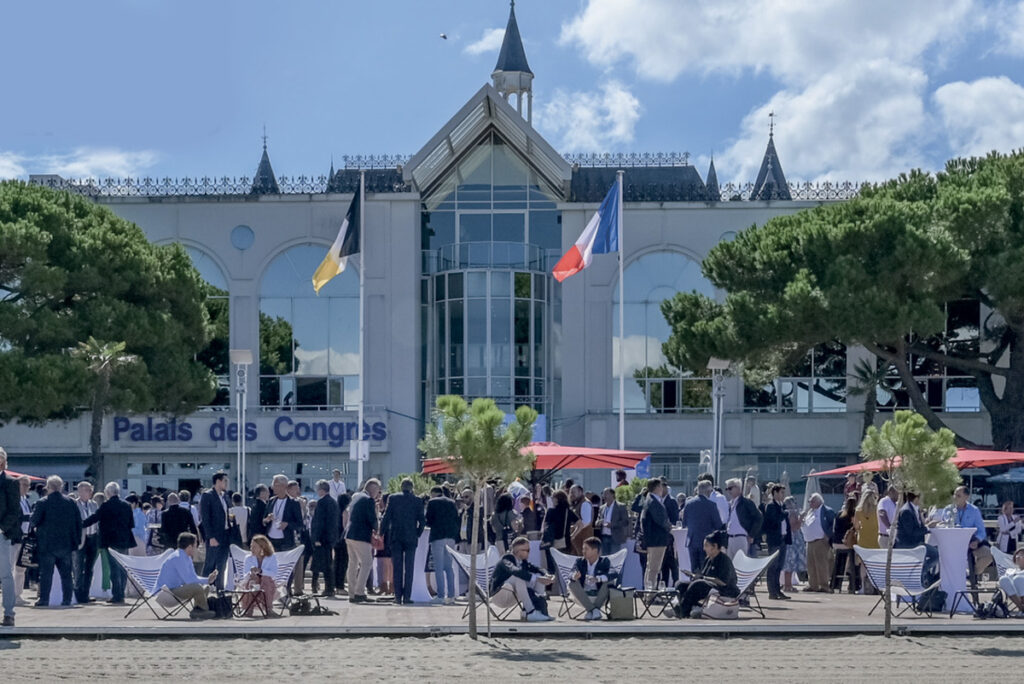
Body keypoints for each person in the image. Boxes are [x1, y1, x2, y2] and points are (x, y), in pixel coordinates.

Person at [29, 476, 82, 607]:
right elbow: (78, 523)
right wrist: (76, 541)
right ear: (61, 487)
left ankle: (44, 600)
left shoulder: (42, 502)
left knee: (46, 574)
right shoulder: (71, 503)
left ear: (48, 487)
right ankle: (67, 600)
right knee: (66, 575)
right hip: (66, 544)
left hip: (46, 545)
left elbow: (34, 521)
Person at [82, 482, 136, 605]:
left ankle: (117, 595)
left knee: (114, 568)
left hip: (111, 540)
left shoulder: (106, 505)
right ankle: (121, 593)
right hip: (125, 541)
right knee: (123, 568)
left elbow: (95, 518)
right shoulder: (127, 505)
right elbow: (131, 524)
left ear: (108, 493)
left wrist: (81, 524)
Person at [674, 531, 740, 618]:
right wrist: (694, 576)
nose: (704, 549)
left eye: (706, 546)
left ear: (715, 546)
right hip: (710, 586)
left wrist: (702, 578)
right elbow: (703, 575)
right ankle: (685, 607)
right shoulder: (708, 559)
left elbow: (723, 582)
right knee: (680, 584)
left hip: (724, 590)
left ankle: (682, 610)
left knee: (698, 584)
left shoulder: (724, 560)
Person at [380, 478, 425, 605]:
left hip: (396, 536)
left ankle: (398, 596)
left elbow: (386, 517)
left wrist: (381, 532)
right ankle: (407, 596)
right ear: (412, 488)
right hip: (411, 537)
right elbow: (422, 520)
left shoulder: (393, 498)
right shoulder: (417, 500)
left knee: (397, 567)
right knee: (409, 568)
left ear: (401, 487)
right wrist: (418, 534)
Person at [490, 536, 555, 621]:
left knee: (539, 578)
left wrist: (547, 575)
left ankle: (538, 611)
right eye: (526, 550)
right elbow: (514, 570)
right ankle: (531, 612)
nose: (528, 553)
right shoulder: (506, 559)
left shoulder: (522, 562)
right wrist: (536, 578)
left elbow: (537, 569)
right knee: (520, 578)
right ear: (517, 551)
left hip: (512, 594)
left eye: (529, 550)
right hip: (498, 595)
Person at [154, 532, 217, 620]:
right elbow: (189, 581)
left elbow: (193, 577)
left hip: (175, 590)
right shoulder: (178, 557)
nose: (196, 548)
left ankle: (197, 611)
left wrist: (208, 580)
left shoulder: (186, 557)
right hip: (167, 592)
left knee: (205, 587)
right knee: (197, 588)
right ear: (190, 547)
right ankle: (203, 610)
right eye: (195, 545)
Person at [345, 478, 381, 603]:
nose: (378, 494)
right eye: (378, 490)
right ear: (374, 489)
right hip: (360, 536)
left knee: (353, 564)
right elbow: (372, 518)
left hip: (349, 534)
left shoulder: (356, 497)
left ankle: (352, 593)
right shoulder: (368, 500)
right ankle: (359, 592)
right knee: (367, 562)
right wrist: (378, 530)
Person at [893, 491, 939, 584]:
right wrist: (928, 527)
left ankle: (921, 572)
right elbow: (911, 532)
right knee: (937, 555)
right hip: (908, 545)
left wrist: (927, 526)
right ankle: (921, 571)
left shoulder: (915, 509)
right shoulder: (906, 511)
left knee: (937, 552)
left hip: (916, 544)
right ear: (917, 498)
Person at [568, 536, 618, 621]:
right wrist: (574, 576)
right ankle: (594, 610)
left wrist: (598, 578)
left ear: (595, 551)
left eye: (586, 549)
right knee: (571, 583)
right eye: (583, 549)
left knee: (609, 582)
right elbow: (571, 573)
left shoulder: (604, 561)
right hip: (583, 593)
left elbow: (614, 573)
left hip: (599, 594)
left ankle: (591, 610)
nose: (583, 551)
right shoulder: (580, 561)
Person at [425, 485, 459, 605]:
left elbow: (428, 520)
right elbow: (457, 519)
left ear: (433, 493)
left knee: (438, 567)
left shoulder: (432, 502)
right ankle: (451, 595)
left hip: (437, 536)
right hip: (450, 537)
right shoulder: (452, 502)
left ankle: (440, 595)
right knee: (449, 567)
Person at [953, 485, 993, 585]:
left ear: (966, 497)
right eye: (954, 495)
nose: (955, 497)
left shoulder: (974, 510)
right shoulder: (948, 510)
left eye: (958, 495)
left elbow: (981, 531)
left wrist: (977, 541)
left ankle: (971, 574)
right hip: (953, 543)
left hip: (971, 542)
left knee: (988, 555)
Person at [681, 480, 723, 573]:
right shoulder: (711, 505)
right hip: (707, 542)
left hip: (692, 541)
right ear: (708, 491)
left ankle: (694, 586)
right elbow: (718, 525)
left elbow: (684, 523)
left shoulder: (688, 503)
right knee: (705, 569)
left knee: (694, 569)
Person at [198, 472, 231, 590]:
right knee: (210, 564)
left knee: (222, 564)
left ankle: (219, 589)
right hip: (214, 535)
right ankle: (202, 590)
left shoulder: (224, 496)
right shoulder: (208, 495)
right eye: (225, 481)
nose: (227, 484)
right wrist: (210, 536)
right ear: (218, 481)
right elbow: (205, 518)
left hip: (225, 534)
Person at [0, 448, 21, 627]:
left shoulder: (10, 482)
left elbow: (15, 511)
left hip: (1, 535)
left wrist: (1, 529)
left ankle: (9, 613)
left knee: (6, 575)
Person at [310, 479, 340, 597]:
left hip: (322, 538)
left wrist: (316, 538)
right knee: (328, 563)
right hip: (331, 537)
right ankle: (330, 587)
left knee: (325, 564)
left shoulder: (322, 503)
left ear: (321, 490)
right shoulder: (333, 502)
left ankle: (328, 588)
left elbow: (319, 522)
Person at [640, 478, 672, 591]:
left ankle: (648, 591)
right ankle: (651, 593)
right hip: (657, 539)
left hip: (653, 539)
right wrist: (670, 527)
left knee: (651, 567)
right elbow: (661, 520)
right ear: (658, 487)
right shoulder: (654, 501)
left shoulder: (649, 499)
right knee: (654, 568)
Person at [802, 493, 836, 593]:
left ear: (818, 501)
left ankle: (824, 585)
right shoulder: (810, 512)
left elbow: (832, 524)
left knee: (822, 564)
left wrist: (828, 535)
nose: (810, 503)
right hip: (809, 541)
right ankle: (813, 584)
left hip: (820, 540)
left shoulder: (827, 511)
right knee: (811, 564)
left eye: (811, 501)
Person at [761, 484, 790, 600]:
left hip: (782, 538)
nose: (783, 495)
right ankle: (772, 591)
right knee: (773, 566)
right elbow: (774, 520)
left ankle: (778, 590)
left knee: (779, 566)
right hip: (774, 540)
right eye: (782, 493)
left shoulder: (782, 506)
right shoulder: (771, 506)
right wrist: (785, 513)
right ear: (775, 493)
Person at [238, 534, 278, 617]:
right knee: (253, 580)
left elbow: (274, 573)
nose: (251, 549)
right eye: (251, 546)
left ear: (262, 547)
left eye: (254, 547)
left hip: (268, 584)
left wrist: (261, 571)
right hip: (252, 583)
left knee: (265, 579)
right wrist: (251, 573)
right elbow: (245, 576)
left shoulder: (271, 557)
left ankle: (268, 609)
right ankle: (248, 609)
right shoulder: (248, 558)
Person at [73, 481, 100, 604]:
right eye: (88, 490)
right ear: (80, 491)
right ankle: (78, 592)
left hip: (92, 537)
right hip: (80, 539)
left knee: (90, 567)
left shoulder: (93, 504)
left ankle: (86, 593)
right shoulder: (74, 504)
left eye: (91, 490)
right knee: (79, 566)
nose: (90, 492)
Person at [723, 478, 762, 561]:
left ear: (738, 488)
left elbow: (758, 518)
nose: (728, 491)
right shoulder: (730, 504)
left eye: (730, 488)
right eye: (727, 489)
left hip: (741, 538)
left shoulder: (746, 503)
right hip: (730, 538)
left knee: (740, 564)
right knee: (731, 568)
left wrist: (752, 534)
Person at [263, 474, 302, 552]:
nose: (272, 487)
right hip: (270, 540)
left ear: (283, 486)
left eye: (275, 485)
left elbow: (299, 524)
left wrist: (287, 524)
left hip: (286, 541)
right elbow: (264, 520)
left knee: (284, 564)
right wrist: (267, 519)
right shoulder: (271, 501)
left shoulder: (293, 503)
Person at [854, 489, 880, 594]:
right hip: (875, 537)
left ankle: (863, 587)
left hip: (863, 538)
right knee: (876, 564)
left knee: (863, 564)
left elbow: (856, 526)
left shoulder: (858, 510)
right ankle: (877, 587)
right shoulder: (877, 509)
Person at [830, 496, 858, 593]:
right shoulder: (853, 514)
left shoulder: (839, 514)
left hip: (836, 543)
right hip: (847, 543)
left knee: (839, 562)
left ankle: (835, 584)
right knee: (854, 561)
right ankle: (853, 584)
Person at [13, 475, 31, 607]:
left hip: (25, 537)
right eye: (23, 484)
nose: (26, 487)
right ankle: (12, 595)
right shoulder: (13, 499)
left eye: (27, 485)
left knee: (21, 567)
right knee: (12, 566)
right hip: (15, 537)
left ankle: (18, 594)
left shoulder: (25, 500)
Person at [782, 495, 806, 593]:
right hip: (792, 540)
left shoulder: (788, 513)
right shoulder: (791, 513)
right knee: (789, 563)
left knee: (790, 564)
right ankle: (787, 585)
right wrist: (801, 519)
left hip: (792, 540)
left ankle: (788, 585)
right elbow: (793, 527)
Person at [597, 487, 629, 556]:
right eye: (603, 494)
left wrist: (612, 524)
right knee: (605, 558)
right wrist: (598, 522)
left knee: (614, 558)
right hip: (604, 537)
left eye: (606, 494)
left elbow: (625, 521)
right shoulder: (602, 508)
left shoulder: (621, 506)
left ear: (613, 495)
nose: (604, 496)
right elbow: (598, 519)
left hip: (615, 538)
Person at [333, 492, 351, 595]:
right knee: (343, 563)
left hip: (336, 539)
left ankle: (336, 585)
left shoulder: (335, 511)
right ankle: (340, 586)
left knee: (337, 562)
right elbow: (345, 526)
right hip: (343, 539)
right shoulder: (345, 512)